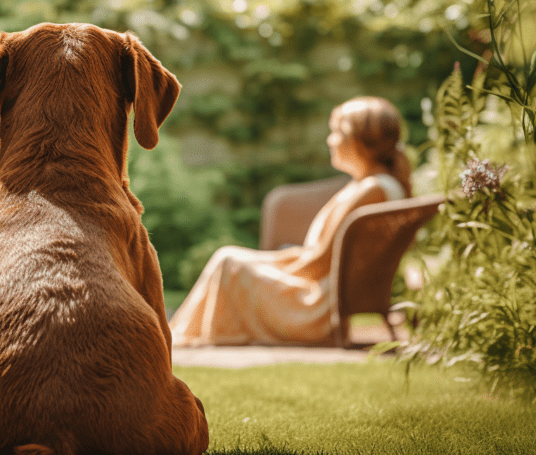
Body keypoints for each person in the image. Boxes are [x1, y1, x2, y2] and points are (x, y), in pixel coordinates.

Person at [169, 96, 411, 346]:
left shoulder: (371, 189)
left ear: (358, 139)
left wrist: (262, 262)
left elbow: (318, 264)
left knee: (229, 260)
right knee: (231, 258)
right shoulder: (380, 186)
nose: (330, 140)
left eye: (336, 132)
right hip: (325, 299)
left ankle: (177, 337)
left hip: (314, 310)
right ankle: (180, 334)